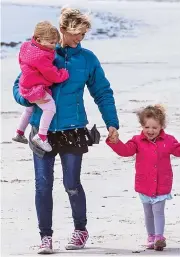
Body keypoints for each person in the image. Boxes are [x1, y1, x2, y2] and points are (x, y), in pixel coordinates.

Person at [13, 7, 119, 254]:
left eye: (83, 34)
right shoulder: (42, 54)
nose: (79, 39)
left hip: (73, 129)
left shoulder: (87, 59)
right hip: (42, 131)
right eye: (76, 34)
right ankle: (45, 237)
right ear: (62, 30)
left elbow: (102, 92)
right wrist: (26, 99)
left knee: (72, 184)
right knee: (42, 185)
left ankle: (80, 230)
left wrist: (111, 122)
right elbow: (19, 85)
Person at [106, 105, 180, 251]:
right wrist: (115, 142)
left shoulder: (168, 140)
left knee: (158, 211)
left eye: (155, 127)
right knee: (148, 214)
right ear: (142, 126)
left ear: (161, 126)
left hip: (161, 185)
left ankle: (159, 237)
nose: (150, 131)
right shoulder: (136, 141)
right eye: (147, 127)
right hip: (144, 185)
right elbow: (125, 151)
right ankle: (151, 236)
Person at [12, 21, 69, 152]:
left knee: (29, 110)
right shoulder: (42, 56)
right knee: (50, 108)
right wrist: (63, 74)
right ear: (38, 39)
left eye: (55, 42)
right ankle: (41, 136)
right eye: (51, 42)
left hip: (25, 85)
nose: (54, 46)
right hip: (35, 88)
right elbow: (52, 74)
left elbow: (21, 61)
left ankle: (19, 132)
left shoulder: (26, 46)